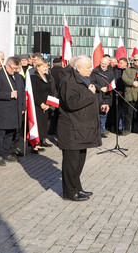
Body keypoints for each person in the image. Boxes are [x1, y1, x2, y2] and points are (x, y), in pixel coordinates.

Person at [57, 56, 101, 202]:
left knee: (79, 161)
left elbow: (88, 98)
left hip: (83, 128)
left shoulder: (84, 79)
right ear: (78, 68)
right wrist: (89, 93)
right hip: (72, 129)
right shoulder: (68, 81)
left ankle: (77, 187)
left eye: (91, 66)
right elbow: (71, 103)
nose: (91, 69)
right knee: (71, 162)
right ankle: (70, 192)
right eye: (88, 67)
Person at [0, 57, 26, 166]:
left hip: (15, 110)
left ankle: (6, 152)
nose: (14, 70)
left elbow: (22, 94)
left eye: (16, 68)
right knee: (0, 134)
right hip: (2, 111)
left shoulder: (18, 77)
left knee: (10, 133)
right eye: (13, 68)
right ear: (7, 65)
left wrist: (23, 107)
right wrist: (8, 95)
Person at [30, 59, 57, 152]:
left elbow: (51, 91)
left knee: (44, 124)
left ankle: (42, 140)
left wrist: (49, 104)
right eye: (44, 66)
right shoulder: (34, 78)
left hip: (46, 104)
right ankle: (35, 144)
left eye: (47, 66)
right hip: (37, 105)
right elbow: (34, 92)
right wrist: (41, 103)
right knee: (37, 124)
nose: (46, 68)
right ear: (38, 67)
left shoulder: (48, 77)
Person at [90, 55, 116, 138]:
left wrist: (108, 88)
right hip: (97, 95)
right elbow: (91, 82)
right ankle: (95, 132)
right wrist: (100, 88)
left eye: (105, 63)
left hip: (107, 96)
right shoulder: (95, 71)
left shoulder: (111, 72)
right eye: (102, 63)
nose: (104, 65)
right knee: (96, 115)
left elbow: (113, 83)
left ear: (108, 64)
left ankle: (101, 131)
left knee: (104, 114)